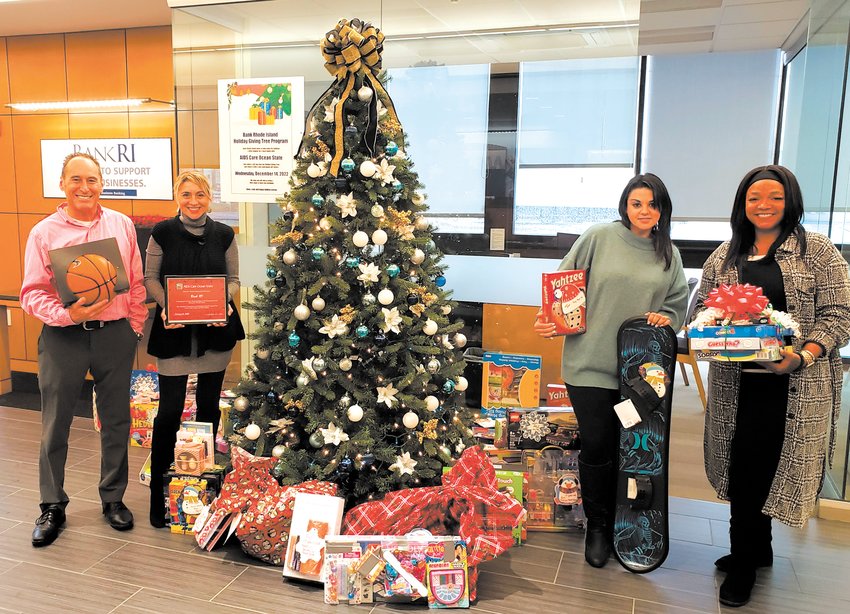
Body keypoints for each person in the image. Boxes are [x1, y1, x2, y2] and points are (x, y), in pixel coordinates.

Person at [695, 165, 850, 607]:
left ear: (790, 201)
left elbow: (840, 315)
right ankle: (754, 551)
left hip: (793, 384)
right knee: (741, 466)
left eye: (775, 197)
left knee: (763, 467)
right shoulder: (726, 255)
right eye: (754, 197)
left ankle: (744, 566)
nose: (764, 205)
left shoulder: (818, 252)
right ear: (742, 204)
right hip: (736, 384)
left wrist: (803, 354)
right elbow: (705, 310)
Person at [533, 173, 688, 568]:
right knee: (599, 445)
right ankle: (598, 527)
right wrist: (548, 318)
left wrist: (664, 317)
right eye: (637, 203)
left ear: (662, 211)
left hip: (639, 374)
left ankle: (628, 524)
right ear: (625, 206)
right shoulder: (599, 237)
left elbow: (676, 305)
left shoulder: (668, 254)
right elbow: (562, 286)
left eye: (653, 204)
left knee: (633, 449)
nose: (645, 211)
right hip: (589, 363)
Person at [21, 152, 147, 546]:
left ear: (102, 183)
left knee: (116, 420)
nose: (84, 187)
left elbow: (138, 283)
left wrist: (134, 327)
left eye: (91, 179)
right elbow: (31, 295)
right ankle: (52, 504)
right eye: (76, 179)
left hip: (114, 334)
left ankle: (112, 498)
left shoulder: (121, 225)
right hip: (64, 336)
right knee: (55, 421)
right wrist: (67, 313)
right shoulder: (44, 233)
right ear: (62, 184)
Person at [144, 170, 244, 528]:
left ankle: (201, 492)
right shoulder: (163, 233)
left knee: (207, 413)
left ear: (209, 198)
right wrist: (166, 306)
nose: (193, 201)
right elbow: (150, 279)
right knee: (169, 413)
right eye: (186, 194)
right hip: (173, 333)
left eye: (200, 194)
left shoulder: (224, 234)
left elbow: (232, 280)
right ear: (177, 198)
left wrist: (226, 305)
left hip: (215, 334)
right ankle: (159, 496)